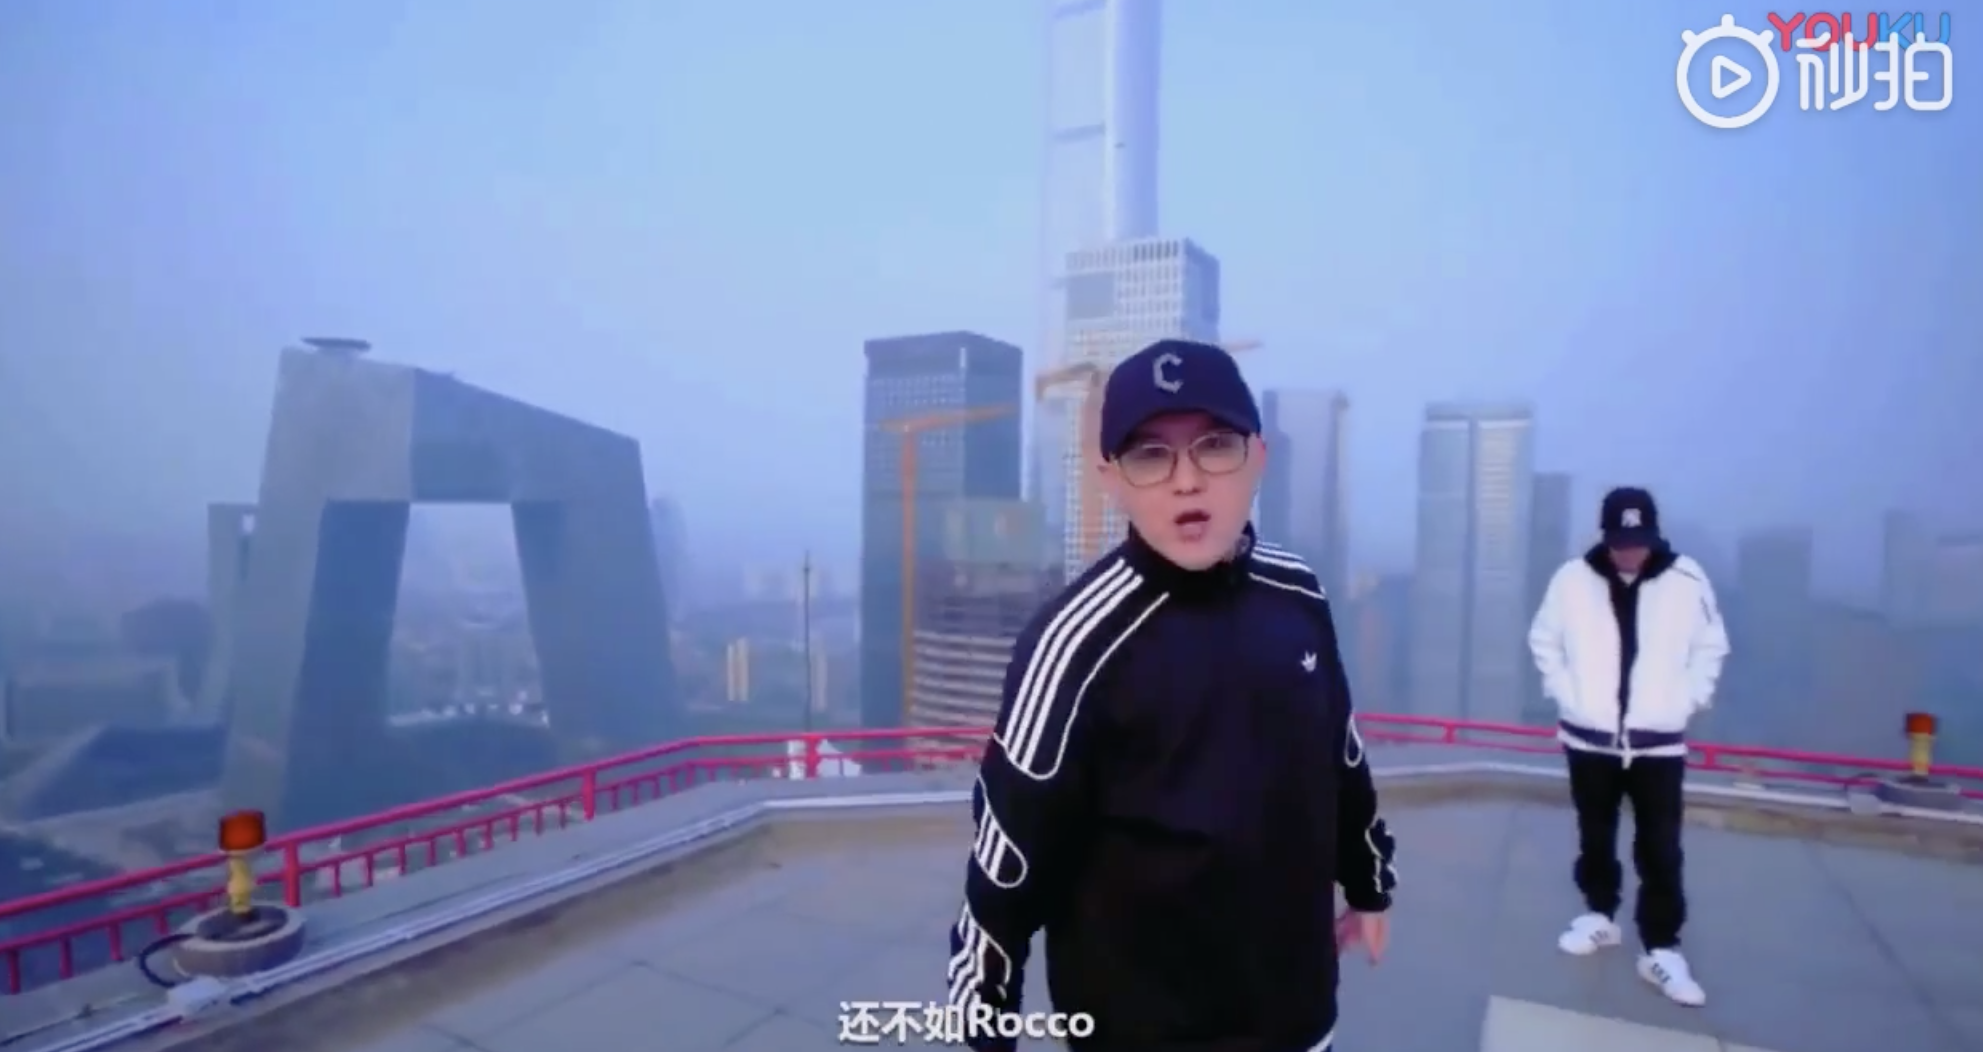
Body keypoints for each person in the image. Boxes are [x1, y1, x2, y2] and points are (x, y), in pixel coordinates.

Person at [944, 339, 1398, 1052]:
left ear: (1258, 458)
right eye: (1150, 455)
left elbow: (1340, 757)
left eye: (1214, 446)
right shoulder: (1072, 643)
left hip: (1299, 1014)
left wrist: (1369, 885)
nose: (1186, 481)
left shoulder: (1297, 593)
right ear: (1109, 479)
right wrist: (983, 1022)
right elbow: (1007, 851)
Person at [1527, 486, 1730, 1007]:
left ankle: (1661, 947)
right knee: (1595, 833)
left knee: (1660, 846)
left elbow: (1711, 647)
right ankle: (1599, 915)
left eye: (1638, 541)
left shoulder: (1687, 579)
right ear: (1606, 537)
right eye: (1620, 542)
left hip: (1657, 744)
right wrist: (1568, 696)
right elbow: (1544, 639)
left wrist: (1685, 703)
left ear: (1654, 536)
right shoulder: (1572, 580)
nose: (1629, 552)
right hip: (1588, 738)